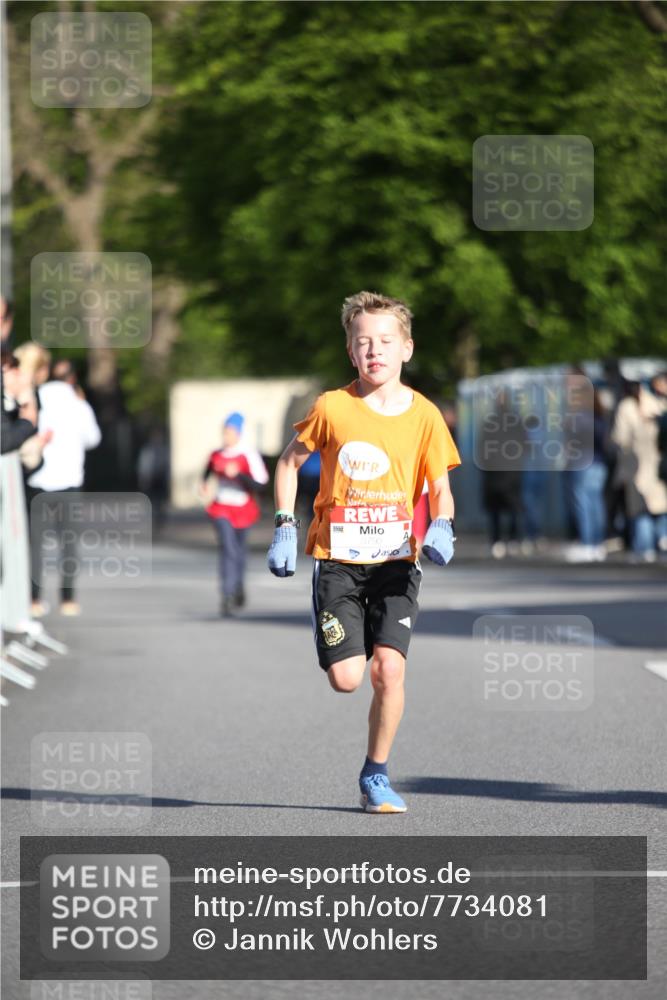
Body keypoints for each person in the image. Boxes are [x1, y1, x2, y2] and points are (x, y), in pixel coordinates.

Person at [267, 291, 461, 814]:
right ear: (350, 352)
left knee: (388, 671)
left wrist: (443, 524)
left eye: (385, 341)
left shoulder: (425, 415)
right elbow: (288, 464)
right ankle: (340, 631)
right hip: (339, 562)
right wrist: (285, 526)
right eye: (363, 342)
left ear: (407, 349)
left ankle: (376, 774)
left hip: (397, 562)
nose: (375, 351)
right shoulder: (332, 407)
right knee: (348, 679)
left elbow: (439, 486)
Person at [26, 362, 102, 616]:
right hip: (69, 481)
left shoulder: (36, 398)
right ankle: (68, 599)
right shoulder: (78, 405)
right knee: (68, 543)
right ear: (72, 379)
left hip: (38, 481)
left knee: (35, 545)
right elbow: (93, 439)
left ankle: (34, 599)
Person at [200, 412, 269, 617]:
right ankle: (227, 593)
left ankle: (238, 586)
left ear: (238, 433)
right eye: (224, 432)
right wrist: (204, 484)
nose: (226, 436)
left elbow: (261, 484)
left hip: (243, 509)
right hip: (221, 508)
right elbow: (208, 471)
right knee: (228, 548)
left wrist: (238, 474)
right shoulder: (216, 454)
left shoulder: (248, 454)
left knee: (239, 550)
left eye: (230, 432)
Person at [611, 379, 667, 561]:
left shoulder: (626, 408)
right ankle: (662, 541)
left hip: (636, 464)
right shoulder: (656, 403)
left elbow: (620, 438)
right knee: (659, 507)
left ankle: (645, 548)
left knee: (640, 510)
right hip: (656, 462)